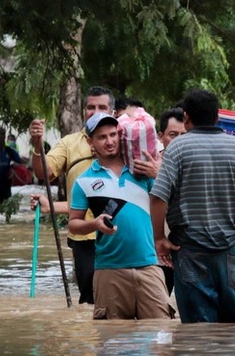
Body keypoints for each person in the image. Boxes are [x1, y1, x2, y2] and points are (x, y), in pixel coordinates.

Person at [150, 89, 235, 324]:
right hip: (230, 250)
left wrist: (159, 239)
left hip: (190, 251)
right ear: (217, 117)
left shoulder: (177, 149)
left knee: (197, 329)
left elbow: (158, 198)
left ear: (186, 117)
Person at [69, 112, 170, 320]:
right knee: (112, 342)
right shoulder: (84, 181)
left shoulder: (141, 169)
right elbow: (73, 224)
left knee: (160, 336)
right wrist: (94, 224)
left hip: (149, 265)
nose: (109, 141)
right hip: (109, 270)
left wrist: (159, 173)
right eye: (102, 137)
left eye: (113, 135)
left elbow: (171, 199)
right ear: (91, 142)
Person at [29, 85, 114, 305]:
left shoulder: (120, 140)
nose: (95, 112)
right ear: (83, 111)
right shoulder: (70, 142)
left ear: (113, 112)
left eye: (102, 107)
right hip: (84, 236)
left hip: (119, 233)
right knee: (90, 301)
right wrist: (38, 145)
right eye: (90, 107)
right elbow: (43, 173)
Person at [130, 107, 187, 296]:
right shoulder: (143, 164)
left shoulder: (194, 164)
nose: (179, 140)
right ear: (161, 137)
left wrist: (160, 175)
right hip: (153, 247)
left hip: (184, 246)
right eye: (173, 134)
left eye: (184, 134)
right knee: (157, 307)